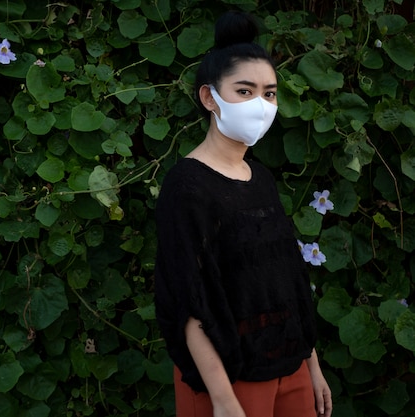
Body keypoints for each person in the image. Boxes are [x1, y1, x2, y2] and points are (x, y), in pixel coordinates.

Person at [154, 11, 333, 417]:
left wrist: (311, 366)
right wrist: (222, 400)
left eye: (269, 93)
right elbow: (187, 301)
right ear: (208, 98)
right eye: (244, 91)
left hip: (291, 368)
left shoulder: (262, 178)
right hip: (231, 379)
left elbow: (286, 279)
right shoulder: (186, 187)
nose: (261, 104)